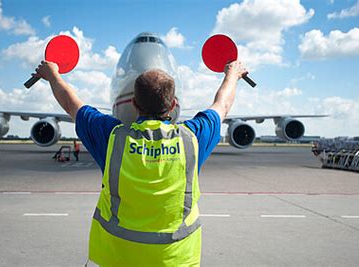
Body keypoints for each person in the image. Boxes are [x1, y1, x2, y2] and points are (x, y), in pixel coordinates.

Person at [34, 60, 247, 266]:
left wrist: (52, 74)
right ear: (173, 105)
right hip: (176, 259)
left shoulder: (112, 138)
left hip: (116, 258)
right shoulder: (191, 138)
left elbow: (72, 104)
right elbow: (223, 104)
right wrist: (232, 74)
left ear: (134, 103)